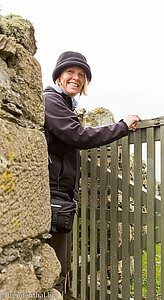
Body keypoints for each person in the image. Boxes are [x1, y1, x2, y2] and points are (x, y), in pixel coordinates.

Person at [44, 51, 141, 295]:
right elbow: (77, 136)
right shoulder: (51, 100)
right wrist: (121, 127)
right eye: (70, 72)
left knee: (59, 268)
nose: (76, 78)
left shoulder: (64, 105)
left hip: (61, 199)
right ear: (59, 77)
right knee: (53, 271)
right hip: (52, 199)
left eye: (81, 74)